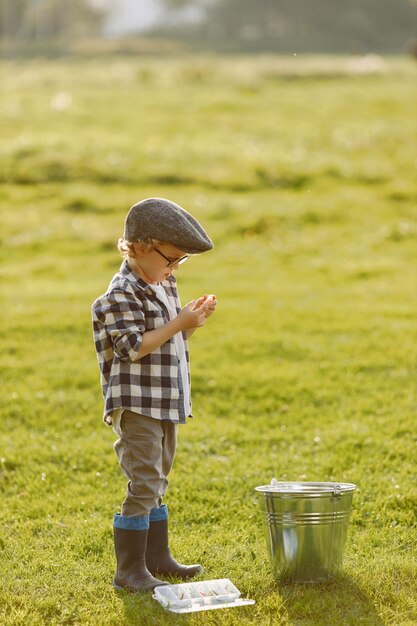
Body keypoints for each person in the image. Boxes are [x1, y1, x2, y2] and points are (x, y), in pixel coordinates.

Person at [92, 197, 217, 592]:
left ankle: (157, 559)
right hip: (137, 404)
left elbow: (169, 342)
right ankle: (128, 571)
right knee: (144, 481)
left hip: (165, 400)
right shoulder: (120, 295)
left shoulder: (162, 283)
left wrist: (191, 321)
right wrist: (179, 321)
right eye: (172, 258)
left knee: (158, 479)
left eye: (181, 261)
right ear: (141, 246)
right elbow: (133, 348)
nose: (175, 267)